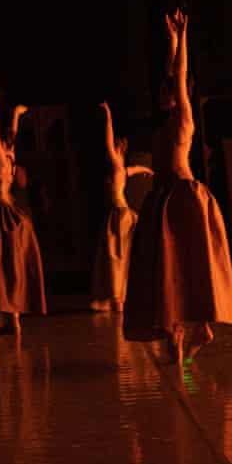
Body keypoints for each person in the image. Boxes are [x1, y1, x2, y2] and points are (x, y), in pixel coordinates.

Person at [123, 10, 232, 366]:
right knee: (168, 270)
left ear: (178, 94)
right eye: (163, 88)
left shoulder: (184, 116)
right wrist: (171, 41)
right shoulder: (161, 127)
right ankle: (178, 335)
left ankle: (197, 328)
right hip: (162, 199)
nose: (163, 92)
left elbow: (180, 73)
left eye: (168, 89)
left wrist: (181, 37)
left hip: (183, 197)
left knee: (187, 264)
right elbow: (173, 73)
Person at [0, 79, 47, 335]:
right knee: (9, 265)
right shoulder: (8, 162)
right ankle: (12, 319)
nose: (4, 143)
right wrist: (16, 115)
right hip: (10, 215)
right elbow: (10, 135)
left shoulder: (1, 161)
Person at [91, 102, 152, 312]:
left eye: (118, 146)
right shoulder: (118, 167)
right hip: (118, 212)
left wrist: (108, 115)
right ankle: (116, 296)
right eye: (116, 146)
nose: (115, 148)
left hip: (121, 212)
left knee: (118, 254)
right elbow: (135, 169)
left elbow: (132, 167)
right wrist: (147, 171)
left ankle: (119, 296)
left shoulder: (119, 165)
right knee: (117, 254)